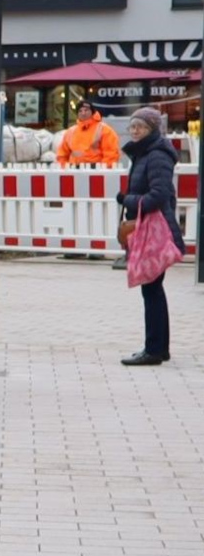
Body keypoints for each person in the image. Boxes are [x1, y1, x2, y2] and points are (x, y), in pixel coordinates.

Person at [117, 106, 185, 366]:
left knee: (152, 289)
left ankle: (154, 350)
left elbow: (158, 195)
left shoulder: (156, 155)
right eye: (133, 126)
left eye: (141, 127)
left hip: (154, 231)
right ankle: (159, 347)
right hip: (149, 228)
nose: (135, 131)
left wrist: (127, 199)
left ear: (152, 130)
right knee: (153, 288)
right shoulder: (144, 153)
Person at [56, 101, 119, 168]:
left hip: (96, 170)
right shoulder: (70, 132)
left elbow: (111, 154)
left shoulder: (104, 130)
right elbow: (62, 154)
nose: (83, 113)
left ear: (92, 112)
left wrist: (102, 171)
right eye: (80, 111)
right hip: (73, 170)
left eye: (86, 110)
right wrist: (65, 169)